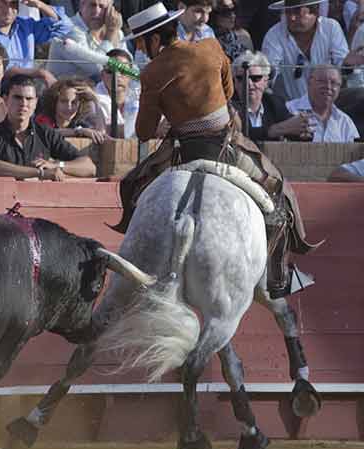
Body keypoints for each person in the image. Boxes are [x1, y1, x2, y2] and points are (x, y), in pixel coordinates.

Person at [122, 1, 320, 299]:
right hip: (227, 146)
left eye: (140, 42)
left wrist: (171, 111)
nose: (140, 48)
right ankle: (280, 276)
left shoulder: (152, 73)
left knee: (132, 187)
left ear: (152, 38)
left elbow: (143, 132)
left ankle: (137, 258)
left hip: (183, 151)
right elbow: (228, 92)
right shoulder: (212, 47)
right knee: (278, 190)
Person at [0, 74, 96, 181]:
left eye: (29, 99)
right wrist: (39, 173)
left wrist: (58, 165)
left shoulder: (46, 134)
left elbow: (89, 167)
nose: (23, 104)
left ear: (35, 102)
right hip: (2, 202)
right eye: (17, 97)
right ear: (5, 100)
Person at [262, 0, 363, 102]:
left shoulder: (331, 27)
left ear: (316, 11)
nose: (292, 18)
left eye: (297, 12)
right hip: (292, 108)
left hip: (330, 104)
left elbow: (342, 68)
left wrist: (348, 64)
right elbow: (268, 73)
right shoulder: (274, 34)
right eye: (287, 12)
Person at [0, 0, 71, 83]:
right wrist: (40, 73)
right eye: (3, 3)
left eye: (13, 3)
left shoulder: (26, 25)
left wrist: (40, 5)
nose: (9, 10)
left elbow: (65, 27)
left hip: (28, 87)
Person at [231, 50, 313, 141]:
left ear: (266, 81)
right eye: (241, 78)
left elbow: (294, 131)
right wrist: (274, 130)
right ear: (234, 82)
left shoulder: (273, 103)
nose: (248, 83)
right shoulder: (228, 107)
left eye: (255, 78)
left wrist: (303, 130)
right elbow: (240, 136)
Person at [46, 0, 124, 82]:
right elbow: (98, 68)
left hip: (103, 91)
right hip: (65, 91)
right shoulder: (68, 28)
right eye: (92, 5)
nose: (96, 11)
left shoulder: (117, 32)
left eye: (102, 6)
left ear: (111, 10)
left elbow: (130, 68)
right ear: (82, 5)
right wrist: (111, 32)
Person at [285, 65, 360, 142]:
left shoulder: (345, 121)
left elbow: (350, 152)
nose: (328, 86)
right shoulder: (288, 109)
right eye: (322, 81)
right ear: (309, 82)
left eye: (334, 83)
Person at [35, 77, 108, 143]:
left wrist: (96, 100)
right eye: (63, 101)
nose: (69, 107)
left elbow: (100, 133)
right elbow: (48, 132)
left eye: (74, 102)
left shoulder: (80, 124)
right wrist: (78, 132)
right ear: (54, 102)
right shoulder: (43, 119)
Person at [94, 48, 139, 139]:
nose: (117, 76)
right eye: (110, 71)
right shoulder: (93, 100)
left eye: (123, 71)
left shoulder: (141, 96)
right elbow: (96, 130)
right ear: (102, 75)